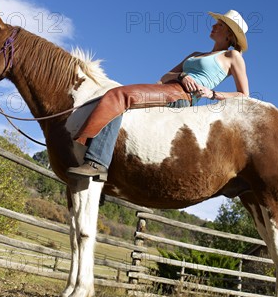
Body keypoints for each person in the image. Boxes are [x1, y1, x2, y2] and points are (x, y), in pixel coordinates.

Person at [66, 10, 250, 181]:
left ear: (229, 35)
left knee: (118, 95)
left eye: (220, 25)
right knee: (119, 97)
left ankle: (94, 161)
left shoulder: (232, 56)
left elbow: (244, 94)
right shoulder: (196, 54)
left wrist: (212, 93)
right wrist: (182, 76)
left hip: (181, 95)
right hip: (168, 87)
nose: (213, 26)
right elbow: (165, 76)